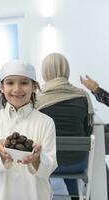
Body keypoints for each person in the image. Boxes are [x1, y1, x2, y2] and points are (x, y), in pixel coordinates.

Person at [0, 60, 57, 200]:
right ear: (1, 87)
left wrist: (37, 159)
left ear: (34, 86)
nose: (17, 89)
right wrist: (1, 155)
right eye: (10, 83)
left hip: (36, 194)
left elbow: (49, 167)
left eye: (24, 82)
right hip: (0, 194)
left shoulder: (46, 122)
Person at [36, 53, 94, 199]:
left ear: (45, 71)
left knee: (49, 154)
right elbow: (88, 130)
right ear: (66, 69)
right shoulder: (83, 96)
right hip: (78, 162)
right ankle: (75, 196)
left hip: (48, 164)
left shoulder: (37, 99)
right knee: (68, 152)